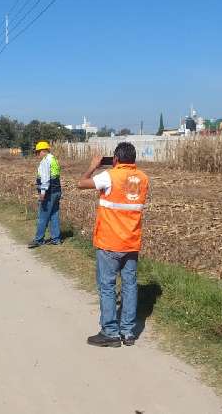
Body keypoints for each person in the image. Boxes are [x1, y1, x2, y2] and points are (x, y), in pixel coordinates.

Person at [76, 142, 149, 347]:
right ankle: (128, 332)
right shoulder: (143, 178)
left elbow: (81, 183)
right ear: (133, 159)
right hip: (132, 242)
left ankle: (110, 332)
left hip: (110, 242)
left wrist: (93, 165)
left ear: (115, 159)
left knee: (107, 286)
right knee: (130, 286)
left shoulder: (109, 176)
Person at [28, 141, 62, 248]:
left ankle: (39, 239)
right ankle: (56, 239)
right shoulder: (53, 159)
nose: (37, 155)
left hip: (48, 193)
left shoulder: (45, 161)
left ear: (42, 151)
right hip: (56, 191)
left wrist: (42, 193)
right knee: (54, 215)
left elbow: (45, 178)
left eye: (37, 152)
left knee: (42, 216)